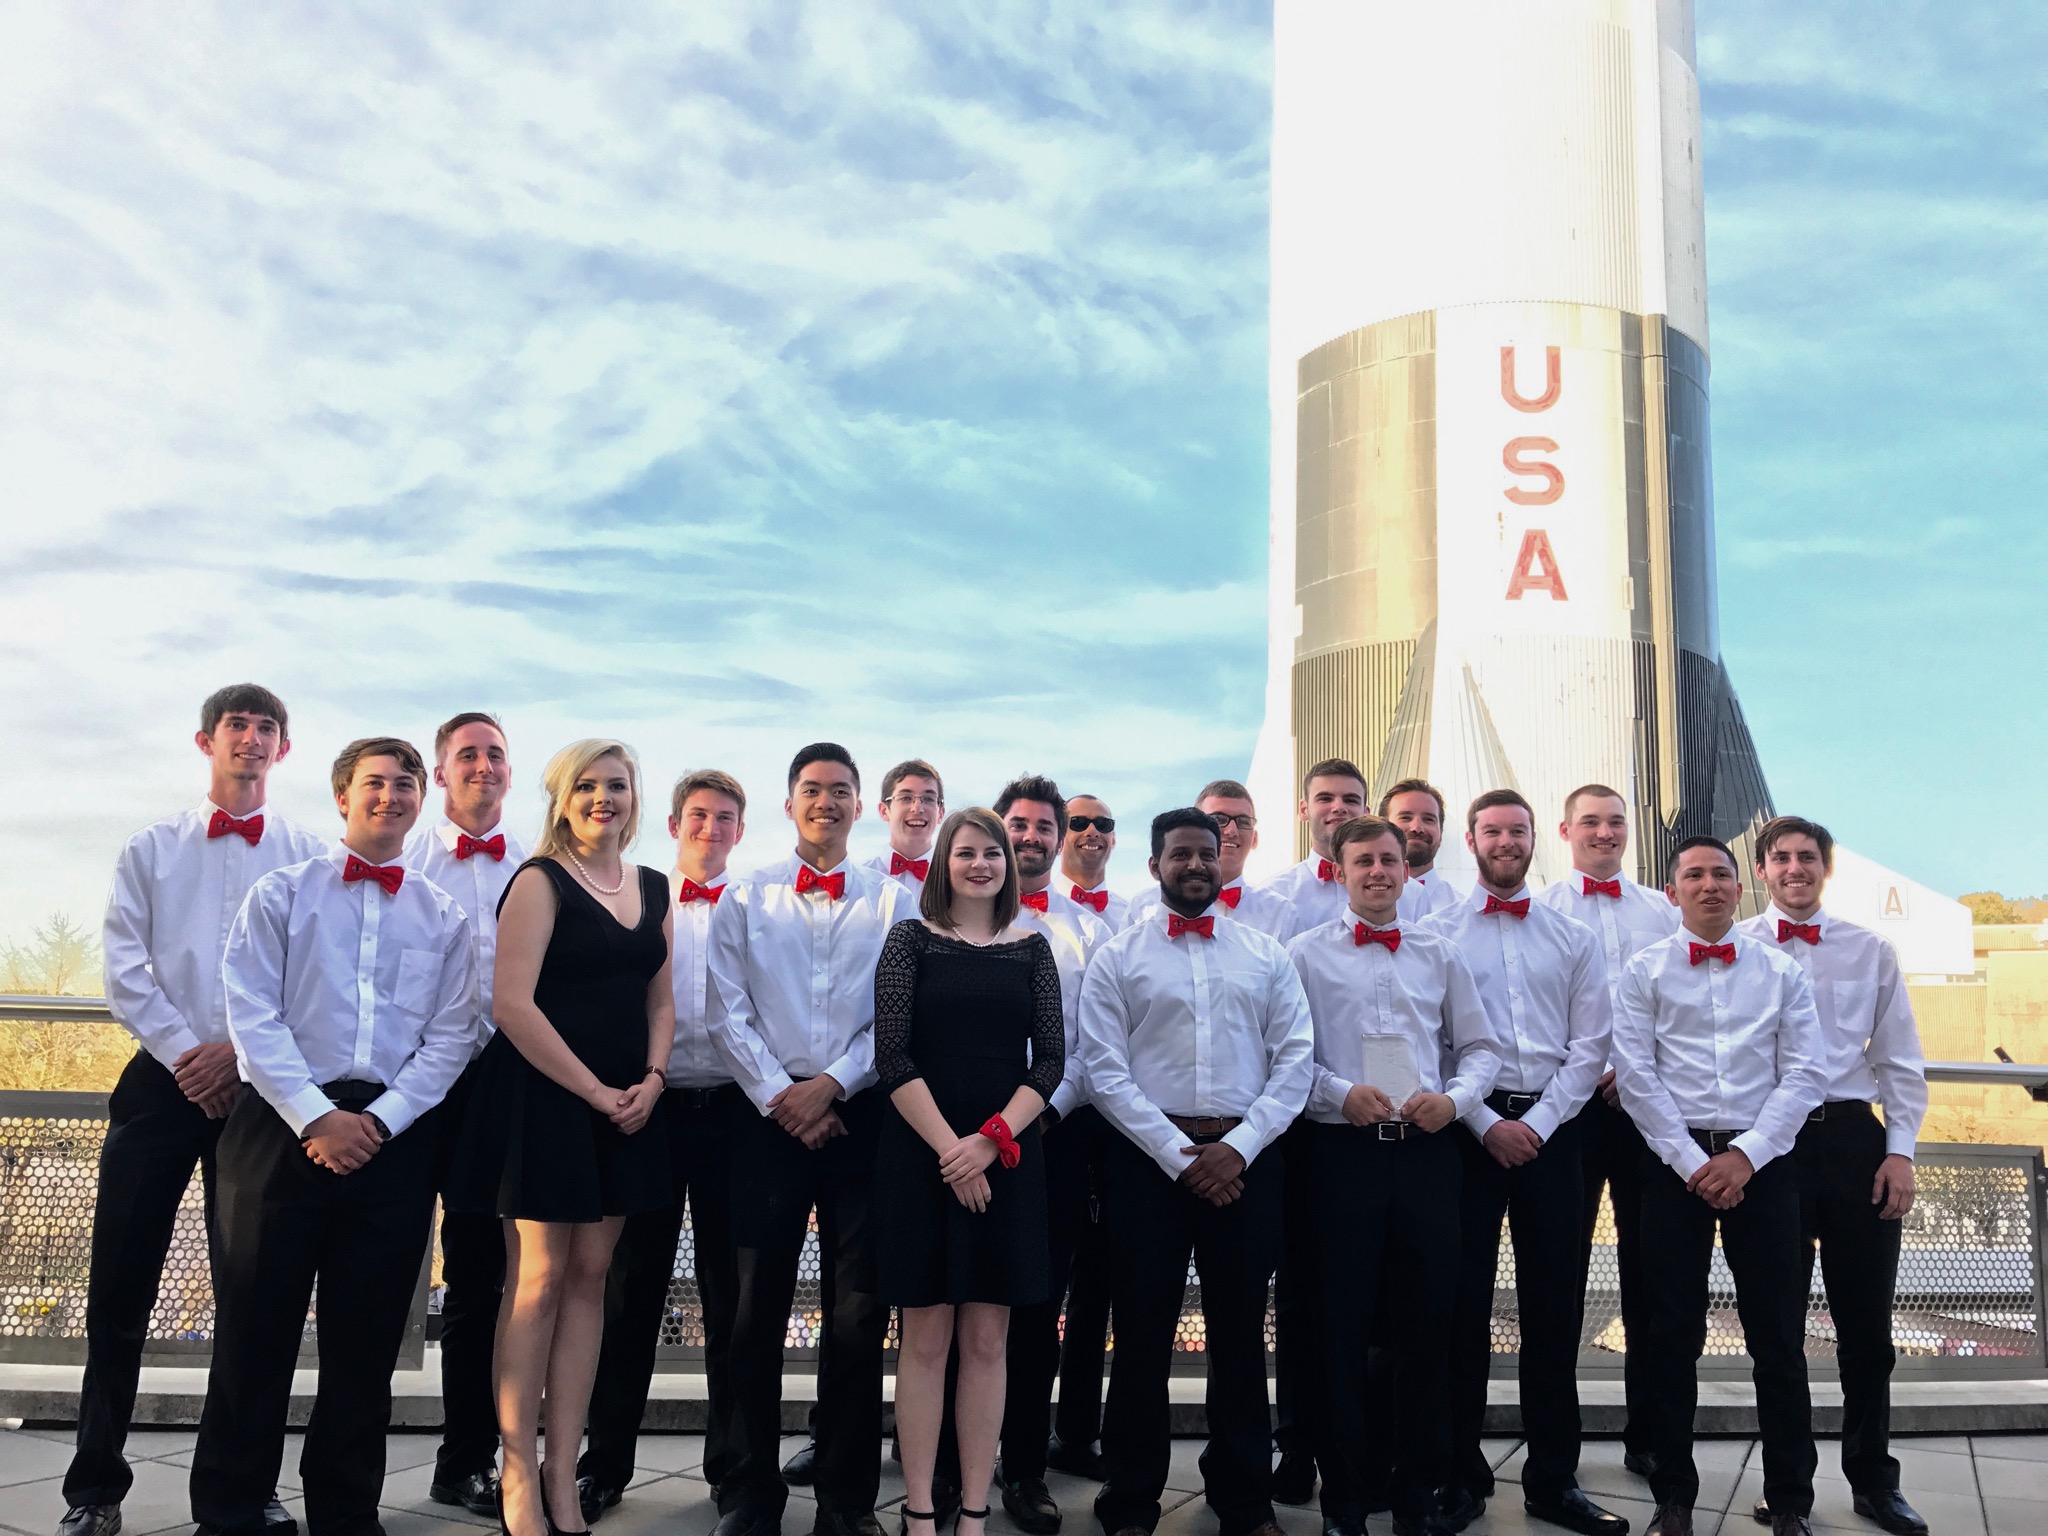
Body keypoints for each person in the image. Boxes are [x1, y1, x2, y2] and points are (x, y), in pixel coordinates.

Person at [188, 738, 476, 1536]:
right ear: (343, 796)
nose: (391, 795)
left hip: (392, 1137)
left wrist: (377, 1122)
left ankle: (346, 1511)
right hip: (280, 1128)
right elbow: (251, 1012)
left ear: (424, 797)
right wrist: (317, 1115)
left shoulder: (444, 915)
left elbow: (452, 1036)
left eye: (406, 783)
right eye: (374, 783)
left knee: (367, 1342)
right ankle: (232, 1508)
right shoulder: (280, 894)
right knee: (254, 1330)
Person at [61, 685, 325, 1536]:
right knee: (120, 1285)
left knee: (255, 1291)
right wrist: (188, 1056)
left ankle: (243, 1486)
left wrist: (239, 1059)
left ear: (283, 750)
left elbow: (304, 982)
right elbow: (124, 968)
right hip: (160, 1083)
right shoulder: (150, 849)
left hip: (260, 1094)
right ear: (205, 741)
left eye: (266, 729)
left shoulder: (306, 858)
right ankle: (94, 1489)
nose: (251, 740)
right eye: (237, 727)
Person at [446, 738, 676, 1536]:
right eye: (587, 785)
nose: (602, 798)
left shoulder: (653, 886)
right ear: (561, 797)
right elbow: (512, 1003)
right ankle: (514, 1471)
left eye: (616, 784)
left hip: (626, 1104)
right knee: (536, 1283)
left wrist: (650, 1081)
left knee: (591, 1281)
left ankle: (562, 1471)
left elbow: (661, 1002)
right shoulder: (539, 881)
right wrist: (591, 1090)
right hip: (547, 1100)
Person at [1078, 809, 1314, 1536]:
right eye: (1180, 854)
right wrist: (1178, 1156)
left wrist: (1238, 1147)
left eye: (1206, 854)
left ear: (1224, 861)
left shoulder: (1267, 955)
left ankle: (1243, 1500)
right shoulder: (1118, 957)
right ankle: (1131, 1501)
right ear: (1154, 867)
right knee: (1141, 1337)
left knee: (1241, 1338)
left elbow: (1296, 1059)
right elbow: (1102, 1069)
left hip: (1244, 1164)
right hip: (1149, 1165)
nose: (1196, 865)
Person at [707, 743, 912, 1536]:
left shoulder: (894, 902)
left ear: (862, 807)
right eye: (812, 790)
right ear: (790, 803)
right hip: (763, 1118)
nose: (826, 801)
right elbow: (725, 1008)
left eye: (841, 791)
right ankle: (750, 1493)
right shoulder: (745, 895)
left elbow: (895, 1012)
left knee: (859, 1313)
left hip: (861, 1116)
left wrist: (832, 1086)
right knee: (755, 1309)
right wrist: (780, 1095)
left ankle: (846, 1498)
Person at [1287, 814, 1499, 1536]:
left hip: (1425, 1155)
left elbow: (1480, 1051)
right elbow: (1288, 1057)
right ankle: (1346, 1500)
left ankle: (1420, 1495)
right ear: (1339, 872)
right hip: (1339, 1155)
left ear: (1407, 872)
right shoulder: (1304, 956)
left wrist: (1455, 1100)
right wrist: (1338, 1093)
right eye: (1363, 862)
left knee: (1427, 1327)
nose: (1378, 871)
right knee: (1338, 1330)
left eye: (1389, 861)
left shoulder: (1441, 954)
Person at [1611, 837, 1825, 1536]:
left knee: (1778, 1337)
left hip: (1761, 1166)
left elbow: (1805, 1073)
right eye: (1693, 875)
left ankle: (1790, 1498)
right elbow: (1636, 1076)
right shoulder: (1642, 972)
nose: (1708, 885)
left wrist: (1746, 1157)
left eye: (1721, 874)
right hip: (1673, 1169)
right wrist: (1687, 1160)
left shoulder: (1781, 971)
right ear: (1671, 892)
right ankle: (1675, 1495)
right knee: (1671, 1335)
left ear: (1742, 888)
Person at [1421, 791, 1621, 1536]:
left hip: (1553, 1129)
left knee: (1553, 1311)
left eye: (1518, 831)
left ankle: (1553, 1481)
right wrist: (1483, 1122)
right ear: (1468, 841)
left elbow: (1590, 1045)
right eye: (1492, 831)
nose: (1506, 842)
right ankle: (1459, 1478)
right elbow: (1432, 1046)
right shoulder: (1435, 933)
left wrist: (1532, 1124)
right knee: (1459, 1310)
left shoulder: (1572, 937)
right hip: (1464, 1133)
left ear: (1536, 839)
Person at [877, 807, 1066, 1536]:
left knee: (989, 1340)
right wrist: (950, 1152)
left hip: (1007, 1154)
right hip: (920, 1152)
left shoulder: (1032, 949)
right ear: (943, 864)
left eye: (993, 853)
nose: (982, 863)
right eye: (966, 853)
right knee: (924, 1340)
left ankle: (977, 1512)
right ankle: (922, 1507)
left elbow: (1050, 1059)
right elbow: (892, 1054)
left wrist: (987, 1142)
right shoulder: (909, 941)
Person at [1739, 818, 1929, 1536]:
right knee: (1776, 1329)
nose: (1794, 868)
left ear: (1827, 868)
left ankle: (1875, 1482)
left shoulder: (1871, 949)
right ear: (1762, 869)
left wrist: (1901, 1151)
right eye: (1781, 858)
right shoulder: (1736, 948)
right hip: (1770, 1144)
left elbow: (1901, 1060)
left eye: (1807, 858)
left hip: (1853, 1140)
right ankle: (1787, 1492)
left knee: (1866, 1329)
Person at [579, 770, 752, 1523]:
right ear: (675, 822)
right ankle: (605, 1461)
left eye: (726, 818)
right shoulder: (640, 898)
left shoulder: (756, 907)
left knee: (732, 1296)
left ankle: (734, 1471)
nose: (711, 828)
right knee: (628, 1291)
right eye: (699, 815)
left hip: (736, 1114)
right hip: (647, 1110)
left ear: (741, 830)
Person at [1533, 785, 1679, 1483]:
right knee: (1559, 1274)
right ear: (1566, 831)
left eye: (1616, 821)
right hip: (1571, 1108)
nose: (1604, 832)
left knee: (1650, 1274)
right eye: (1590, 821)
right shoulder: (1543, 911)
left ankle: (1649, 1436)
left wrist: (1637, 1074)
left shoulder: (1661, 909)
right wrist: (1590, 1071)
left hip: (1649, 1110)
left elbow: (1675, 1006)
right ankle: (1555, 1450)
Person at [403, 711, 527, 1519]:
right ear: (442, 773)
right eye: (467, 756)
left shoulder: (539, 865)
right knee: (378, 1270)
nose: (482, 767)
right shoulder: (402, 860)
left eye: (495, 756)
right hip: (414, 1087)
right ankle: (338, 1461)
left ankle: (467, 1457)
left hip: (507, 1089)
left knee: (485, 1277)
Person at [987, 776, 1115, 1529]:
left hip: (1049, 1138)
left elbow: (1096, 1045)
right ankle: (944, 1463)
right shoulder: (937, 919)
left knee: (1036, 1309)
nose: (1032, 837)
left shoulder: (1088, 933)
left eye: (1045, 827)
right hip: (958, 1136)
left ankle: (1025, 1468)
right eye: (1021, 824)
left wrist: (1036, 1115)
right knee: (956, 1300)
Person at [1128, 781, 1299, 941]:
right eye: (1218, 819)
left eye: (1243, 821)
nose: (1232, 830)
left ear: (1254, 838)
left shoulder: (1280, 913)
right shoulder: (1143, 907)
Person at [1254, 758, 1369, 932]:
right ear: (1303, 810)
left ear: (1367, 814)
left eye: (1350, 800)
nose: (1338, 807)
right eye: (1325, 798)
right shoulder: (1273, 896)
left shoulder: (1408, 895)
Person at [1379, 779, 1461, 923]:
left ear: (1441, 832)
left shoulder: (1461, 911)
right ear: (1380, 828)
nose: (1417, 828)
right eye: (1405, 817)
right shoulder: (1356, 904)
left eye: (1428, 819)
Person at [867, 759, 946, 893]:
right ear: (884, 810)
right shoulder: (861, 879)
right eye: (906, 798)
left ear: (941, 813)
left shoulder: (953, 879)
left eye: (928, 799)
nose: (917, 808)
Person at [1059, 795, 1129, 928]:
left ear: (1113, 839)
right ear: (1058, 837)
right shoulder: (1033, 910)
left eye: (1103, 824)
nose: (1092, 832)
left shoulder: (1130, 917)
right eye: (1078, 823)